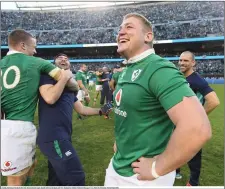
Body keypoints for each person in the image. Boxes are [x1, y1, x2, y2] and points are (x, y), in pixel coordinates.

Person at [104, 13, 211, 187]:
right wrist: (122, 142)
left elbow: (198, 128)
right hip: (117, 166)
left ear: (148, 36)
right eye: (120, 28)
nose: (121, 32)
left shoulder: (159, 69)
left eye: (129, 27)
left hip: (141, 179)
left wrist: (156, 168)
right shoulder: (127, 70)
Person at [0, 29, 79, 186]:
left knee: (30, 166)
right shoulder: (37, 62)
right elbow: (72, 84)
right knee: (15, 179)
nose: (35, 51)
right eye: (33, 47)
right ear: (23, 45)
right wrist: (66, 78)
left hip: (5, 123)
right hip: (18, 127)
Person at [37, 53, 113, 186]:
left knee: (56, 179)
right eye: (60, 58)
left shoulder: (70, 86)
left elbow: (82, 109)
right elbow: (50, 98)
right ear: (53, 62)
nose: (63, 59)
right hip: (54, 136)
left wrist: (101, 110)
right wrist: (64, 77)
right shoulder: (47, 77)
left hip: (63, 136)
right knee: (76, 178)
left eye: (66, 58)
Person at [176, 51, 220, 186]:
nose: (182, 63)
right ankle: (175, 171)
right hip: (177, 122)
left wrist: (198, 116)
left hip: (191, 126)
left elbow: (214, 101)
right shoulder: (179, 77)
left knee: (193, 154)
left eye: (186, 61)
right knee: (175, 147)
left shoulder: (197, 80)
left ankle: (193, 182)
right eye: (181, 60)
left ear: (193, 63)